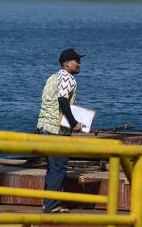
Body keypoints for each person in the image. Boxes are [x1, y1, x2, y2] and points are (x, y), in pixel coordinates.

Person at [35, 48, 85, 213]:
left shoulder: (52, 78)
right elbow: (63, 101)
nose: (79, 64)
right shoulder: (68, 78)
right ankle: (52, 205)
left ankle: (48, 203)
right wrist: (74, 123)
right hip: (57, 131)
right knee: (58, 168)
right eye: (76, 61)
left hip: (43, 127)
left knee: (52, 168)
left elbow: (49, 103)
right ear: (66, 63)